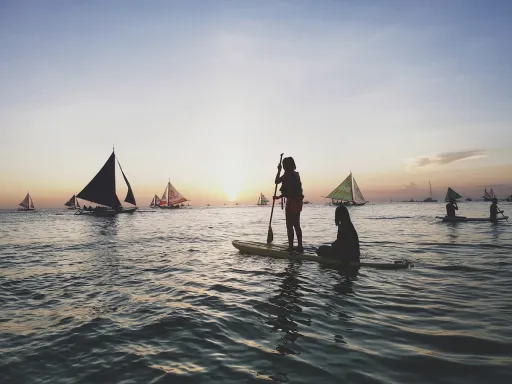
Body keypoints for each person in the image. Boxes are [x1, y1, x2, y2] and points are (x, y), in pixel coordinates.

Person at [273, 157, 304, 253]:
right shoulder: (296, 175)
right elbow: (291, 190)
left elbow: (277, 181)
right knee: (296, 224)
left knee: (289, 225)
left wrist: (278, 170)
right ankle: (299, 246)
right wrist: (279, 197)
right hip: (298, 202)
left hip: (292, 203)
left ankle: (291, 247)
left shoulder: (287, 175)